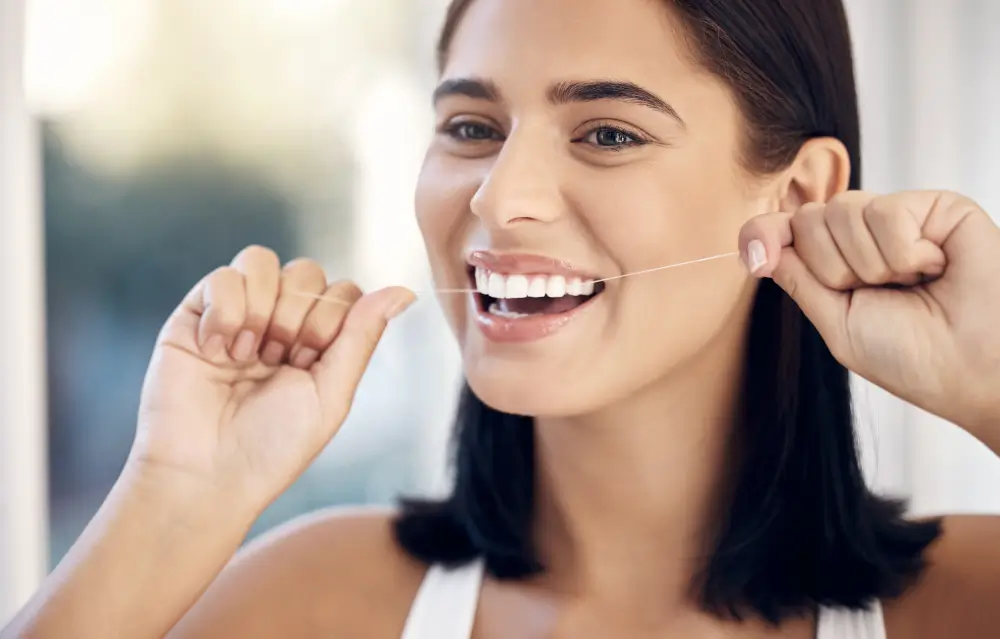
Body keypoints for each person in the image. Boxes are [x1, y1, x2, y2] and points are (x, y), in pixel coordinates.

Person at [5, 0, 1000, 636]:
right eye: (470, 128)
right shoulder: (309, 605)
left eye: (607, 132)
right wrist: (173, 498)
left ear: (797, 193)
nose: (497, 196)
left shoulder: (966, 602)